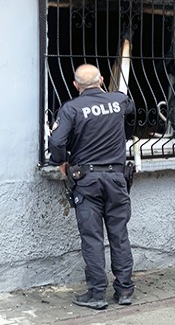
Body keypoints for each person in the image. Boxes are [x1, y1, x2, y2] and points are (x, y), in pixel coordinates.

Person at [49, 64, 136, 310]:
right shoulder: (119, 100)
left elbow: (56, 141)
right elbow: (130, 110)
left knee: (92, 237)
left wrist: (62, 162)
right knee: (119, 234)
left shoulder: (71, 109)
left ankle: (97, 294)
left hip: (86, 181)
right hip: (117, 179)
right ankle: (125, 290)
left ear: (75, 85)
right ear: (102, 80)